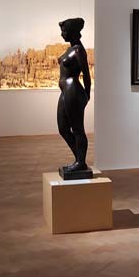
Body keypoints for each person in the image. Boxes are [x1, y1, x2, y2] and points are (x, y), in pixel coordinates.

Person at [56, 18, 92, 178]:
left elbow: (86, 74)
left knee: (77, 129)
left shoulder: (78, 50)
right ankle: (79, 160)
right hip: (66, 91)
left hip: (73, 91)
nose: (62, 34)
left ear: (72, 32)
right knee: (63, 128)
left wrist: (87, 95)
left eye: (64, 31)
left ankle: (80, 162)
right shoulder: (71, 49)